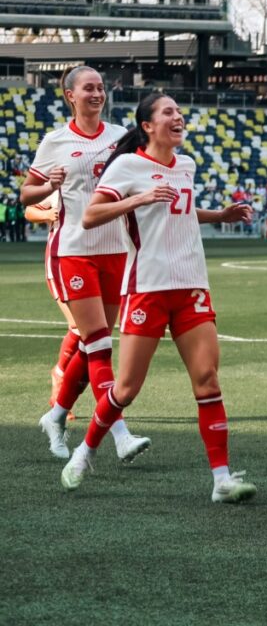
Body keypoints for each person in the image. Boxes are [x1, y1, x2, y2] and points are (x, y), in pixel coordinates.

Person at [61, 93, 256, 503]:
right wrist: (136, 198)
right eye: (168, 112)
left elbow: (179, 210)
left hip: (191, 287)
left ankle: (221, 480)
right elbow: (90, 216)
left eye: (179, 112)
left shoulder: (186, 165)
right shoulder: (128, 166)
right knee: (127, 389)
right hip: (146, 288)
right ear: (148, 126)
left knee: (207, 380)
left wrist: (218, 216)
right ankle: (84, 452)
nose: (178, 117)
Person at [21, 65, 151, 463]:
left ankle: (56, 414)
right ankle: (120, 433)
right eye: (88, 88)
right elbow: (27, 195)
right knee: (99, 344)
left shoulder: (120, 138)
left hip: (116, 252)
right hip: (74, 251)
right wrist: (49, 186)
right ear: (70, 96)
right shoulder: (56, 141)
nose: (97, 94)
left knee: (90, 341)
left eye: (100, 88)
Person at [25, 192, 81, 416]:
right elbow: (29, 210)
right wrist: (47, 213)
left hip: (93, 260)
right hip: (61, 261)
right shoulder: (57, 183)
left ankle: (61, 378)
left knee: (92, 333)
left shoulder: (100, 179)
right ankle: (60, 380)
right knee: (80, 327)